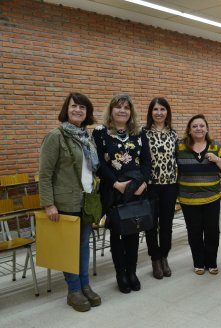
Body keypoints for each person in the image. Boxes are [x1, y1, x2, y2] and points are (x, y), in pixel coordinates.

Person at [39, 92, 101, 312]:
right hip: (64, 202)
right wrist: (48, 204)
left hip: (85, 201)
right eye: (74, 106)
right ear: (66, 109)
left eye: (83, 108)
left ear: (87, 113)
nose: (78, 110)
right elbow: (45, 174)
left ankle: (85, 284)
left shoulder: (86, 137)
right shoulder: (55, 136)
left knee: (83, 246)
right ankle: (73, 290)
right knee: (68, 249)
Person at [92, 94, 151, 293]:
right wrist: (115, 183)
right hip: (113, 191)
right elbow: (98, 163)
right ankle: (121, 273)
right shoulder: (100, 133)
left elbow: (146, 162)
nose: (122, 110)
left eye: (126, 107)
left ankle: (132, 272)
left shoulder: (139, 132)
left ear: (131, 111)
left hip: (136, 191)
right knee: (117, 233)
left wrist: (142, 184)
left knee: (133, 231)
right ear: (111, 110)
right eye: (118, 107)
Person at [177, 114, 221, 275]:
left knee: (212, 231)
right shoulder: (180, 147)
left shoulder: (215, 146)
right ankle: (198, 263)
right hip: (188, 199)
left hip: (211, 198)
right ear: (189, 130)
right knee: (194, 232)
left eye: (201, 126)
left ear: (206, 129)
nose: (198, 128)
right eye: (194, 126)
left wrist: (217, 160)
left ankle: (211, 262)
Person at [143, 97, 178, 279]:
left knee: (166, 225)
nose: (159, 113)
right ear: (151, 112)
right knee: (151, 225)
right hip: (150, 186)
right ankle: (155, 259)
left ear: (167, 112)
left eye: (162, 109)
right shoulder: (143, 133)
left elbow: (176, 159)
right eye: (155, 109)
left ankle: (164, 256)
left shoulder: (173, 133)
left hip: (170, 186)